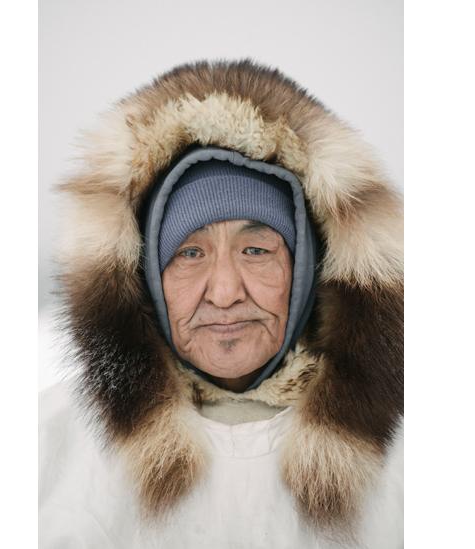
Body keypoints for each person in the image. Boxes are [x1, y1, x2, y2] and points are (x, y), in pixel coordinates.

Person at [40, 60, 403, 547]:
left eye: (257, 251)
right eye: (189, 253)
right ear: (143, 278)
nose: (226, 292)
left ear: (309, 269)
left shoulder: (414, 457)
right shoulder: (46, 446)